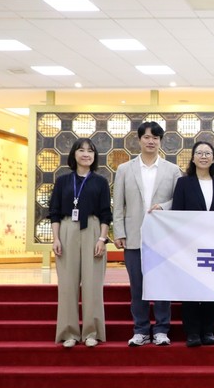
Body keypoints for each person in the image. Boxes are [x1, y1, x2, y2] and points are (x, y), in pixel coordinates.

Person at [113, 121, 182, 347]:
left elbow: (178, 201)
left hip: (162, 238)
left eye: (155, 138)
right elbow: (118, 204)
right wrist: (119, 232)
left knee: (162, 284)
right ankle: (141, 330)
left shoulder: (172, 170)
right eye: (147, 137)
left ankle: (161, 329)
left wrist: (164, 206)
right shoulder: (125, 169)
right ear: (139, 140)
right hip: (134, 236)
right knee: (137, 287)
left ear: (160, 141)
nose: (151, 141)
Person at [49, 138, 112, 348]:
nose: (86, 154)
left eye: (90, 151)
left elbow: (106, 213)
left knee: (93, 284)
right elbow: (54, 212)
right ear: (74, 154)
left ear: (95, 156)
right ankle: (69, 332)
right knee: (67, 285)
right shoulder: (63, 181)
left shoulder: (100, 182)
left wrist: (102, 238)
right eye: (81, 150)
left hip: (93, 229)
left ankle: (92, 332)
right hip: (67, 229)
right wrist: (56, 238)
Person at [172, 141, 214, 348]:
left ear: (213, 158)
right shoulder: (183, 183)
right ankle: (193, 332)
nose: (204, 156)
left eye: (207, 153)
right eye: (199, 153)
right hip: (189, 246)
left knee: (211, 289)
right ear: (193, 158)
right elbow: (177, 213)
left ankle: (209, 330)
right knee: (190, 289)